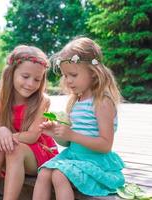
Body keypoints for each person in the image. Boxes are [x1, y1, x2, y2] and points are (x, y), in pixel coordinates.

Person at [33, 37, 125, 200]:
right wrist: (55, 133)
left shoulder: (102, 102)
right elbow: (69, 142)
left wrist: (72, 135)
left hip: (95, 161)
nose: (68, 81)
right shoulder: (75, 101)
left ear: (93, 71)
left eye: (73, 75)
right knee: (44, 172)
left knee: (58, 175)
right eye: (65, 76)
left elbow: (105, 145)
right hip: (73, 156)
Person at [0, 45, 58, 200]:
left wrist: (1, 135)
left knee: (14, 149)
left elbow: (33, 136)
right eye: (25, 77)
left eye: (37, 79)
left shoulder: (42, 101)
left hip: (40, 155)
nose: (31, 84)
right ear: (11, 73)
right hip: (12, 153)